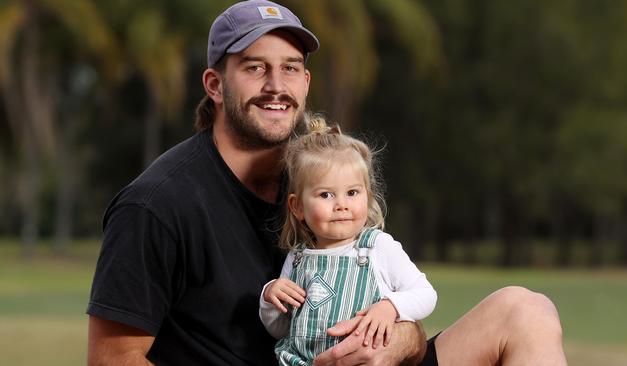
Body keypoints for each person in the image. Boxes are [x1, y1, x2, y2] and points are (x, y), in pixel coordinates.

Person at [87, 1, 568, 365]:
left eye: (290, 68)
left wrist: (392, 342)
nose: (277, 85)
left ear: (306, 83)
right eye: (256, 68)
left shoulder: (324, 178)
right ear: (214, 85)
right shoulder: (157, 205)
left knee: (525, 310)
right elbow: (113, 359)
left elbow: (411, 328)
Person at [259, 116, 437, 365]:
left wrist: (391, 307)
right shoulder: (298, 259)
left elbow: (426, 294)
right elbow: (282, 329)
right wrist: (270, 297)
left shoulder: (377, 247)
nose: (341, 205)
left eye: (352, 192)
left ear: (367, 196)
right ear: (297, 206)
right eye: (326, 194)